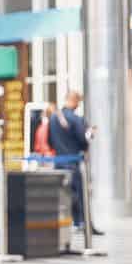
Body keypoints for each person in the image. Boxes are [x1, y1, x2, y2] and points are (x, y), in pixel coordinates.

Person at [48, 91, 102, 235]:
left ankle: (71, 223)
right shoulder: (76, 119)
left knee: (64, 196)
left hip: (58, 163)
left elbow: (50, 141)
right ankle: (84, 224)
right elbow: (83, 140)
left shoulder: (53, 118)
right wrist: (90, 134)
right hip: (73, 162)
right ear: (75, 101)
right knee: (80, 194)